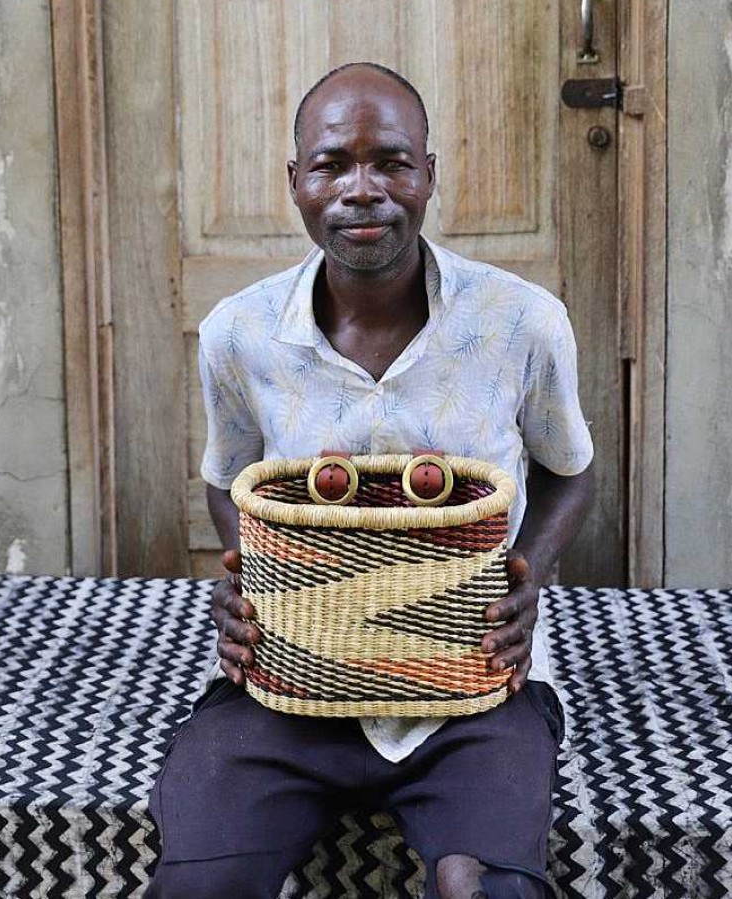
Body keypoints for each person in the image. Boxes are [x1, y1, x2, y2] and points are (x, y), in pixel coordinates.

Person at [148, 62, 595, 899]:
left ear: (429, 174)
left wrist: (526, 573)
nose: (363, 189)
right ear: (295, 182)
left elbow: (569, 473)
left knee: (488, 890)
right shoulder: (238, 332)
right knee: (199, 889)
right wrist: (253, 574)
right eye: (331, 165)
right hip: (288, 683)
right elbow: (226, 476)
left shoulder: (520, 322)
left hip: (469, 687)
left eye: (391, 161)